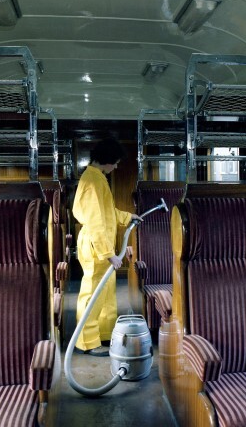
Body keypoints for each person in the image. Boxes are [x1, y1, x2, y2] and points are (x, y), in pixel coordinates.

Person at [72, 138, 142, 356]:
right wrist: (108, 253)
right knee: (93, 293)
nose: (117, 167)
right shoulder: (92, 181)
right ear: (108, 160)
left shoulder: (98, 178)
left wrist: (128, 217)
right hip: (96, 246)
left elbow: (107, 212)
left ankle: (103, 334)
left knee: (106, 293)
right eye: (116, 162)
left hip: (101, 245)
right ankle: (86, 341)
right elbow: (95, 222)